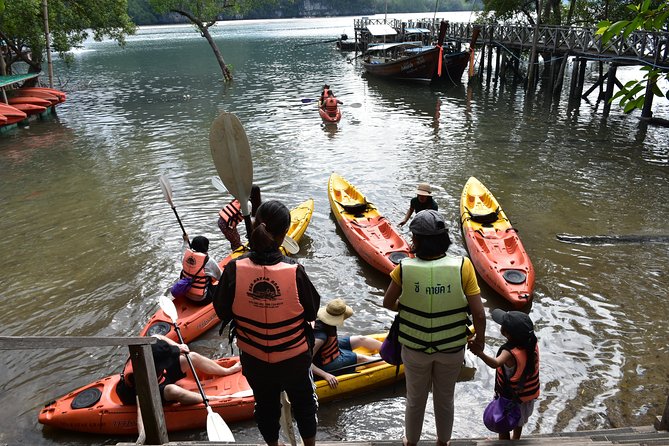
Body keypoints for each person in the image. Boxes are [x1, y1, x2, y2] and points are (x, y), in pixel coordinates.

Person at [213, 200, 320, 446]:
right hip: (294, 359)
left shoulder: (233, 269)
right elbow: (312, 311)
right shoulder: (294, 270)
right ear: (284, 235)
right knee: (304, 403)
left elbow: (221, 311)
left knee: (265, 405)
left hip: (255, 358)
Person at [383, 209, 486, 446]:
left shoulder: (403, 268)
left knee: (415, 399)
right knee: (445, 398)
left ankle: (411, 442)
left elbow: (388, 303)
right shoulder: (463, 266)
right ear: (444, 239)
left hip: (415, 348)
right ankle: (443, 442)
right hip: (451, 349)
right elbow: (479, 313)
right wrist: (479, 341)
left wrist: (410, 307)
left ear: (417, 240)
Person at [468, 309, 540, 441]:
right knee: (518, 422)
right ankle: (516, 440)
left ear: (507, 333)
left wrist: (479, 352)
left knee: (503, 424)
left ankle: (504, 443)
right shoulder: (532, 343)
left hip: (510, 399)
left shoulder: (509, 353)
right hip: (525, 399)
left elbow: (495, 363)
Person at [115, 334, 241, 406]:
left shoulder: (149, 348)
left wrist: (177, 347)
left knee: (192, 357)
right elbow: (142, 411)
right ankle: (210, 399)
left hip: (159, 376)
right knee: (172, 390)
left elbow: (156, 336)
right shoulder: (140, 376)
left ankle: (227, 371)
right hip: (145, 393)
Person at [311, 298, 383, 389]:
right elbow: (305, 361)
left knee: (361, 339)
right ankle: (390, 361)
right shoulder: (320, 337)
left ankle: (388, 349)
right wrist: (326, 375)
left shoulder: (323, 323)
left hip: (329, 349)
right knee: (361, 358)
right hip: (324, 364)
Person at [177, 234, 222, 305]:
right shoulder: (208, 261)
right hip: (202, 299)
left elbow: (184, 249)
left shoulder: (185, 256)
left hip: (185, 294)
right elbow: (221, 277)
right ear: (206, 247)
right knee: (221, 288)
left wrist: (185, 241)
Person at [217, 185, 262, 251]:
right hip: (226, 224)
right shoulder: (248, 204)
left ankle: (235, 250)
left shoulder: (240, 198)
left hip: (223, 221)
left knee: (236, 238)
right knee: (236, 242)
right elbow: (249, 220)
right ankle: (238, 256)